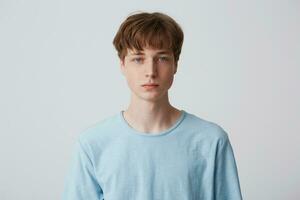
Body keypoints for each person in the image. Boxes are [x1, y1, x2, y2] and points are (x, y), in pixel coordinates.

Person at [61, 11, 243, 200]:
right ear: (122, 64)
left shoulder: (211, 141)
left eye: (162, 58)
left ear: (175, 64)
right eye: (138, 59)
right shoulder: (92, 144)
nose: (150, 71)